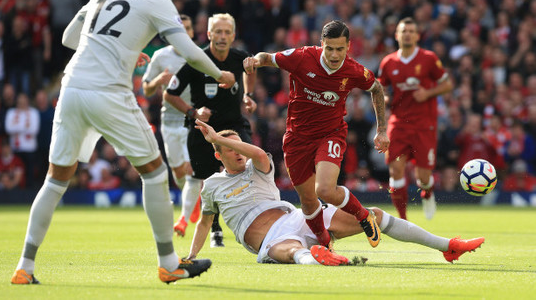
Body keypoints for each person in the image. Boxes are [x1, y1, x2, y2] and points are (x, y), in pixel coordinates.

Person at [11, 0, 235, 286]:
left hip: (71, 88)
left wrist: (115, 49)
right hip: (108, 92)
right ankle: (169, 263)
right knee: (156, 174)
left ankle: (24, 267)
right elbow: (189, 51)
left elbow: (69, 37)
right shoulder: (157, 0)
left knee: (55, 180)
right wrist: (220, 75)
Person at [187, 119, 485, 265]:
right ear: (218, 156)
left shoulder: (257, 166)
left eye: (239, 145)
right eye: (228, 148)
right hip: (268, 239)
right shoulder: (212, 185)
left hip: (300, 217)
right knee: (290, 251)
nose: (237, 153)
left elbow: (260, 155)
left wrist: (222, 138)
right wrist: (191, 256)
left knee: (375, 216)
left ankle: (448, 245)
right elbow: (203, 223)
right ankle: (318, 258)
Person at [243, 20, 389, 250]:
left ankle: (363, 216)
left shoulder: (353, 70)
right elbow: (267, 57)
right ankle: (325, 244)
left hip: (330, 134)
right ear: (321, 44)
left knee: (324, 190)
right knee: (309, 200)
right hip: (296, 138)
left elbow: (377, 89)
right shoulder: (302, 57)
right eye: (329, 48)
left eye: (340, 49)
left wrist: (382, 130)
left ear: (348, 47)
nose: (333, 54)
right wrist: (254, 60)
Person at [165, 13, 257, 248]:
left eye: (227, 32)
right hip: (203, 130)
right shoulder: (196, 60)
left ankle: (254, 221)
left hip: (234, 126)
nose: (222, 36)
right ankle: (215, 229)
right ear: (209, 34)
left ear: (233, 35)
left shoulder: (239, 57)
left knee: (250, 166)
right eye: (218, 31)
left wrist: (248, 94)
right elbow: (170, 94)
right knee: (207, 182)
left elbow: (250, 71)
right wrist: (192, 112)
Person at [378, 17, 453, 221]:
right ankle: (403, 220)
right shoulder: (388, 62)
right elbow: (380, 87)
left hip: (424, 124)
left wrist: (428, 93)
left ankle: (427, 192)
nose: (408, 34)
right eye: (404, 31)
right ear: (397, 35)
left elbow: (447, 85)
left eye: (411, 30)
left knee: (423, 177)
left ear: (418, 35)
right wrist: (384, 97)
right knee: (396, 169)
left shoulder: (429, 58)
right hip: (399, 123)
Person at [142, 14, 201, 236]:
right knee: (179, 175)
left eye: (187, 28)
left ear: (192, 32)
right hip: (168, 121)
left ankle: (183, 219)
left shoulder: (198, 55)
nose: (184, 33)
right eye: (179, 29)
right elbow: (146, 89)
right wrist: (158, 81)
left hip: (190, 120)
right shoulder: (160, 56)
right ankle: (192, 201)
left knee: (190, 170)